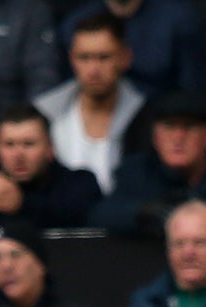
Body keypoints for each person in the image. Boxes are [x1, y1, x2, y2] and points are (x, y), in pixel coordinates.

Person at [93, 96, 206, 237]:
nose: (178, 138)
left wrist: (190, 215)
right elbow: (102, 215)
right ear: (155, 137)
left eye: (189, 127)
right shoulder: (137, 172)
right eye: (169, 127)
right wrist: (145, 213)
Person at [34, 13, 147, 195]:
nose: (93, 70)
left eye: (103, 57)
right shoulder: (44, 115)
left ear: (125, 57)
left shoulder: (146, 117)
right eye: (84, 58)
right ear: (71, 59)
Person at [0, 104, 102, 226]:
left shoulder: (80, 183)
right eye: (9, 144)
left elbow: (75, 216)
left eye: (29, 144)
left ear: (50, 148)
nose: (18, 155)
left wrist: (22, 205)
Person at [60, 0, 205, 99]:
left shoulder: (178, 20)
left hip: (160, 122)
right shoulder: (75, 24)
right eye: (85, 57)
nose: (94, 66)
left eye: (103, 57)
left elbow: (191, 90)